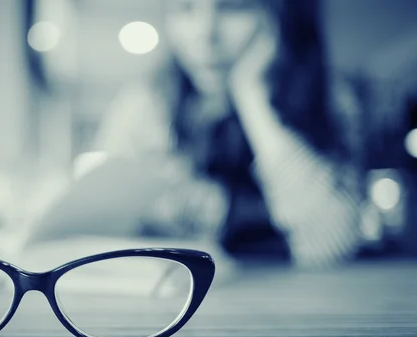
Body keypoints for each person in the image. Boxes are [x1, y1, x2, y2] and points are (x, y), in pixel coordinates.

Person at [85, 0, 366, 269]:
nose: (205, 33)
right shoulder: (146, 105)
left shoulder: (328, 98)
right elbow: (95, 230)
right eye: (185, 7)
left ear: (278, 15)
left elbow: (331, 244)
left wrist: (252, 97)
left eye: (233, 6)